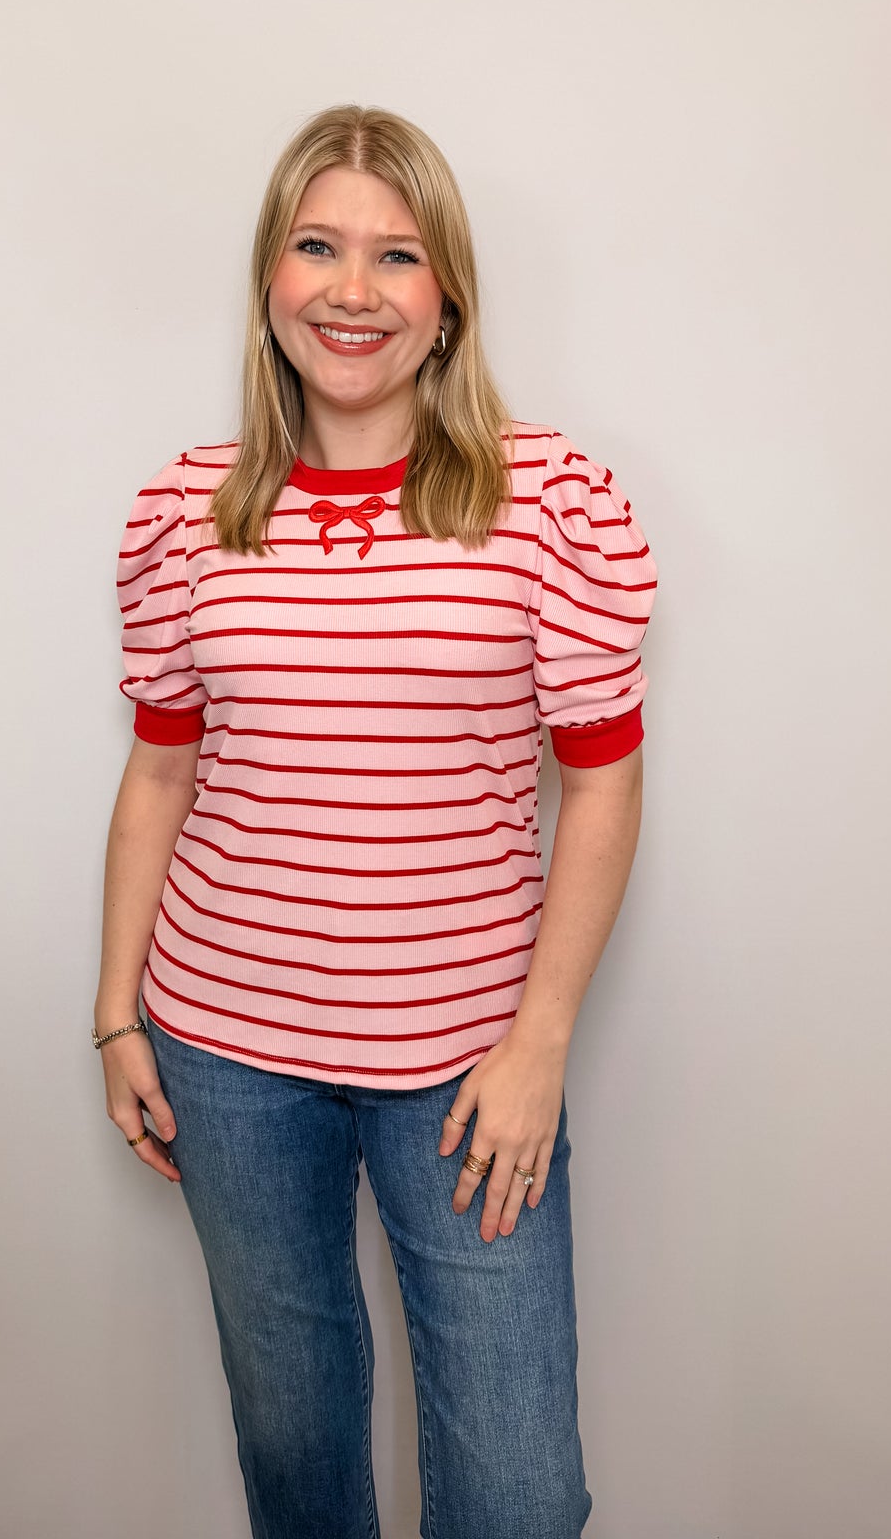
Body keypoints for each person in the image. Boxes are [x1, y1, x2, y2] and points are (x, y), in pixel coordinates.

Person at [91, 103, 658, 1539]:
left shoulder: (543, 505)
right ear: (270, 284)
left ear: (446, 296)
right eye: (319, 246)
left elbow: (599, 779)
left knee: (518, 1493)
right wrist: (115, 1015)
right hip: (224, 1050)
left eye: (397, 255)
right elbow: (160, 772)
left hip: (467, 1063)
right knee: (296, 1448)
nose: (354, 289)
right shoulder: (192, 515)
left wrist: (538, 1046)